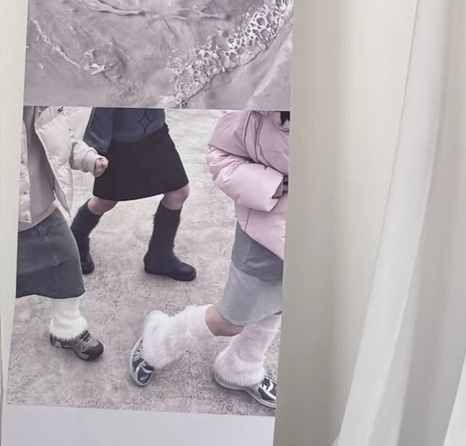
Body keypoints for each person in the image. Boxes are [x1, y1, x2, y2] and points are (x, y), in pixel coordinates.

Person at [128, 110, 289, 411]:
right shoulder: (261, 109)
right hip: (266, 236)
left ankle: (241, 367)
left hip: (319, 236)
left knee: (278, 305)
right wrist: (273, 185)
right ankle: (158, 339)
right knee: (230, 320)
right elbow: (220, 155)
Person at [18, 108, 108, 362]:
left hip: (39, 205)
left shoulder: (42, 100)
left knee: (67, 260)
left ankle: (67, 328)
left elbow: (59, 137)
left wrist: (87, 157)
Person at [70, 109, 195, 283]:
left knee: (179, 191)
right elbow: (103, 105)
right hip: (120, 143)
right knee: (105, 201)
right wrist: (94, 150)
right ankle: (74, 242)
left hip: (156, 135)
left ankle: (160, 256)